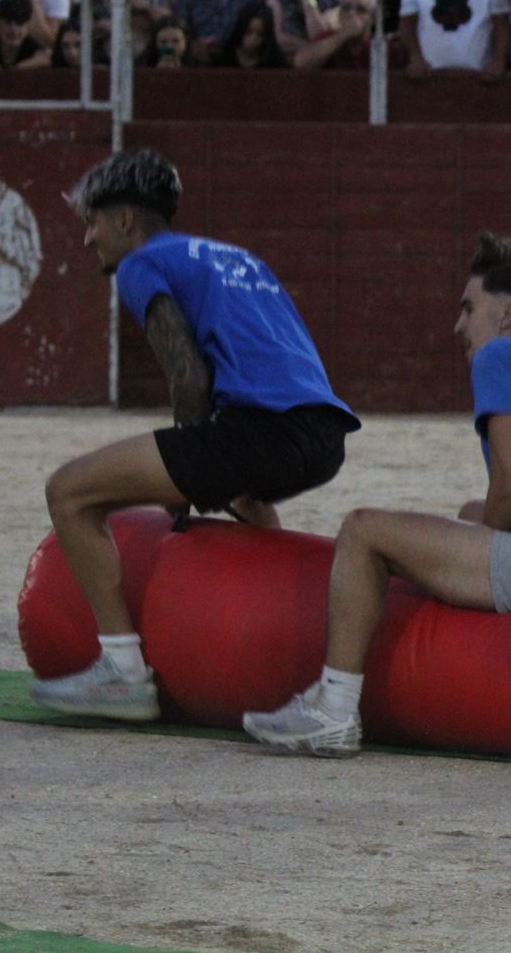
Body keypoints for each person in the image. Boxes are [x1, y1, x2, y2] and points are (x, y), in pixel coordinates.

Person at [243, 233, 511, 757]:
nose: (459, 325)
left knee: (363, 530)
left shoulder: (500, 356)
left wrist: (490, 535)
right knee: (468, 512)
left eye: (469, 308)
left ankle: (332, 711)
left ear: (507, 313)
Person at [30, 149, 360, 721]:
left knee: (68, 491)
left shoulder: (141, 264)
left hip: (260, 431)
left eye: (92, 221)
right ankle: (283, 635)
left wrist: (184, 480)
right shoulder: (236, 257)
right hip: (324, 436)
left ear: (124, 220)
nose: (88, 238)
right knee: (242, 493)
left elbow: (188, 375)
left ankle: (122, 673)